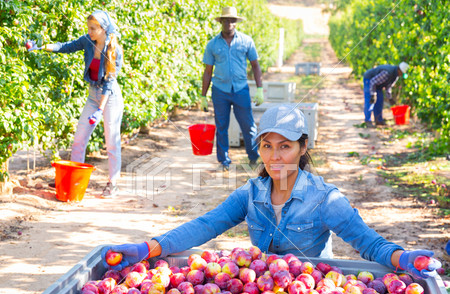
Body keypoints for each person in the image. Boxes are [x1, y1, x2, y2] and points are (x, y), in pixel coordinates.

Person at [102, 103, 441, 279]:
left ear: (303, 147)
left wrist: (404, 258)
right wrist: (150, 247)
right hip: (259, 290)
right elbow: (206, 225)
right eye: (267, 146)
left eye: (285, 146)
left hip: (310, 290)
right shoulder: (250, 194)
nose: (275, 157)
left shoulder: (325, 199)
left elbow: (369, 243)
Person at [27, 10, 124, 198]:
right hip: (93, 94)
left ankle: (113, 184)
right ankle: (72, 180)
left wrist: (100, 109)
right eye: (88, 28)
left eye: (93, 29)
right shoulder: (88, 41)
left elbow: (110, 82)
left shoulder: (114, 50)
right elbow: (66, 46)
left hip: (109, 97)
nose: (89, 32)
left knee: (112, 143)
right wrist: (41, 47)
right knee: (79, 139)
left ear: (103, 29)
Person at [200, 6, 264, 171]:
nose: (229, 23)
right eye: (226, 20)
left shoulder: (246, 41)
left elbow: (255, 65)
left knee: (248, 126)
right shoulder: (212, 45)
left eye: (232, 20)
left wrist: (259, 88)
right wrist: (203, 96)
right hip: (220, 91)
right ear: (221, 21)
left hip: (241, 90)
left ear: (236, 22)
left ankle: (253, 158)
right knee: (221, 126)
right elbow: (208, 72)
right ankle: (224, 161)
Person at [363, 62, 409, 127]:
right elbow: (373, 82)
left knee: (379, 100)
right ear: (399, 70)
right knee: (371, 101)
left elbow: (388, 86)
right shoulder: (387, 73)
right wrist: (373, 94)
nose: (402, 75)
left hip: (377, 84)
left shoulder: (396, 76)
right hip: (369, 80)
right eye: (402, 73)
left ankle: (379, 120)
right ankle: (368, 121)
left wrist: (389, 98)